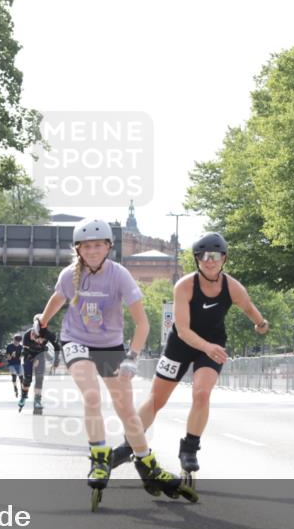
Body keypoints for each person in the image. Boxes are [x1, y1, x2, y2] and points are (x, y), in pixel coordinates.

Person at [33, 217, 197, 510]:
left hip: (110, 346)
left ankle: (147, 462)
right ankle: (98, 457)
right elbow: (54, 304)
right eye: (87, 247)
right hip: (76, 341)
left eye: (98, 245)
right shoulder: (69, 275)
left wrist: (132, 358)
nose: (93, 251)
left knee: (127, 412)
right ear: (78, 249)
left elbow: (142, 324)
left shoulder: (119, 275)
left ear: (108, 247)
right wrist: (40, 323)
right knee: (92, 396)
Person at [110, 232, 269, 485]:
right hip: (180, 345)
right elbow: (183, 330)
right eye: (203, 257)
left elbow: (249, 308)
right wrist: (205, 346)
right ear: (197, 260)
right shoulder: (184, 285)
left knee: (202, 393)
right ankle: (130, 444)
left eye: (215, 256)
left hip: (214, 345)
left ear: (224, 259)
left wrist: (261, 324)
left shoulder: (233, 287)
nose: (209, 261)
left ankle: (189, 448)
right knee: (156, 400)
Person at [18, 320, 60, 413]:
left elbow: (57, 348)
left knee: (40, 378)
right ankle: (24, 396)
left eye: (41, 339)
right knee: (27, 378)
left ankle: (38, 400)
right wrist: (32, 360)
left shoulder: (49, 335)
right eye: (35, 337)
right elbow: (25, 352)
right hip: (28, 354)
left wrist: (55, 361)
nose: (39, 340)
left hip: (40, 354)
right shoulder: (27, 335)